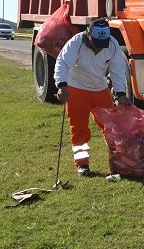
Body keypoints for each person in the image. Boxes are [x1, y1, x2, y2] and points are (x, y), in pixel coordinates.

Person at [53, 18, 130, 176]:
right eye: (95, 43)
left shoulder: (112, 44)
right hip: (76, 89)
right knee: (79, 129)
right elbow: (62, 62)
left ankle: (118, 161)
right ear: (88, 36)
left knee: (111, 127)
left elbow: (117, 70)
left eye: (102, 44)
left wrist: (121, 94)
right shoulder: (76, 42)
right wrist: (62, 85)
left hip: (100, 89)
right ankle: (82, 165)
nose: (98, 48)